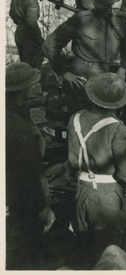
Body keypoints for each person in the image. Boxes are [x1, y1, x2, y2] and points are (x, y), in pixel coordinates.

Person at [66, 73, 126, 261]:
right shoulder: (117, 128)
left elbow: (72, 158)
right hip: (106, 199)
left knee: (84, 249)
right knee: (109, 254)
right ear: (119, 103)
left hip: (81, 193)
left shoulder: (75, 119)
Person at [43, 0, 126, 121]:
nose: (113, 13)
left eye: (116, 10)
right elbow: (50, 44)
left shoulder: (120, 22)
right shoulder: (81, 19)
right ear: (101, 6)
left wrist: (122, 70)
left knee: (105, 122)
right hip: (82, 78)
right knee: (80, 120)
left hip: (108, 77)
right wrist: (64, 72)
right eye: (109, 10)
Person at [6, 62, 56, 269]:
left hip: (9, 193)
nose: (36, 87)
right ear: (22, 90)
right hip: (22, 200)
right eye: (32, 85)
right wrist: (44, 208)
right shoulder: (19, 128)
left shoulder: (12, 112)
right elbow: (31, 175)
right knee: (21, 243)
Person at [9, 0, 46, 69]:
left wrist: (19, 21)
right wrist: (39, 40)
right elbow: (31, 23)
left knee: (24, 65)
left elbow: (11, 13)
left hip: (19, 33)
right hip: (29, 37)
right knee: (33, 68)